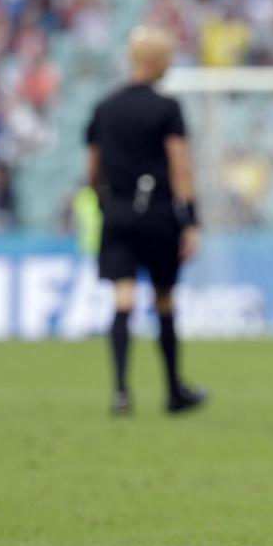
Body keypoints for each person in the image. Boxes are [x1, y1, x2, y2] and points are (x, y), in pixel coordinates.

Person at [85, 26, 205, 416]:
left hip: (117, 213)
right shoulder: (166, 108)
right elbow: (180, 166)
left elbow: (92, 167)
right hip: (157, 216)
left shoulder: (105, 107)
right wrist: (190, 220)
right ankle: (173, 390)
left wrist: (105, 201)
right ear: (155, 61)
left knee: (122, 298)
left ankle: (121, 392)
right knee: (164, 299)